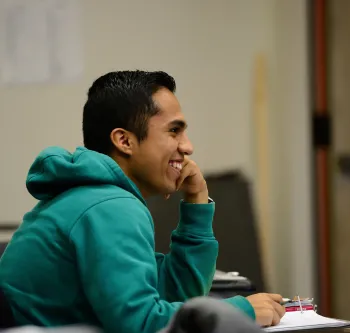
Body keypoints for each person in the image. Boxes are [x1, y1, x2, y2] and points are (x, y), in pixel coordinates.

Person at [0, 71, 285, 333]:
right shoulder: (109, 207)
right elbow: (141, 325)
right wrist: (242, 311)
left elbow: (176, 294)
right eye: (174, 131)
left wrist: (196, 202)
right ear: (124, 141)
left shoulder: (93, 198)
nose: (187, 147)